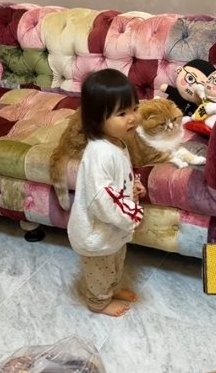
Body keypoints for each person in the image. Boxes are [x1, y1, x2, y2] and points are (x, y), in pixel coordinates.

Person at [68, 69, 147, 317]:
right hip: (96, 233)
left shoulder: (117, 142)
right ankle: (98, 301)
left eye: (134, 109)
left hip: (112, 229)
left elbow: (119, 177)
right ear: (97, 119)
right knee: (100, 270)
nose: (132, 118)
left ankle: (113, 288)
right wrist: (131, 214)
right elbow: (102, 199)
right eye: (121, 114)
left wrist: (133, 186)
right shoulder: (99, 153)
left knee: (115, 260)